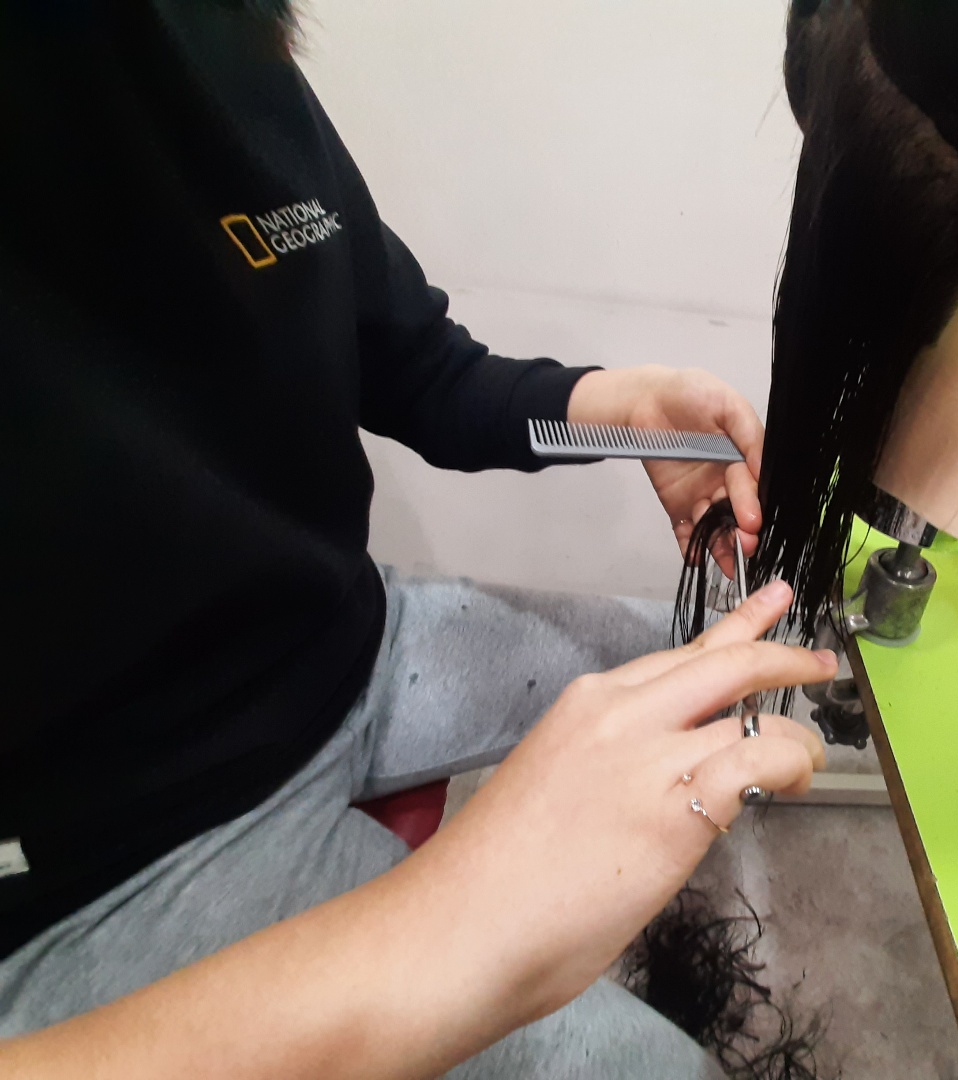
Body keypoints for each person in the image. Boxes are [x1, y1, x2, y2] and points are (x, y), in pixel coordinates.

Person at [0, 1, 832, 1076]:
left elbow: (417, 366)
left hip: (355, 641)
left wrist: (622, 410)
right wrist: (452, 927)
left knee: (710, 671)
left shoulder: (222, 46)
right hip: (135, 844)